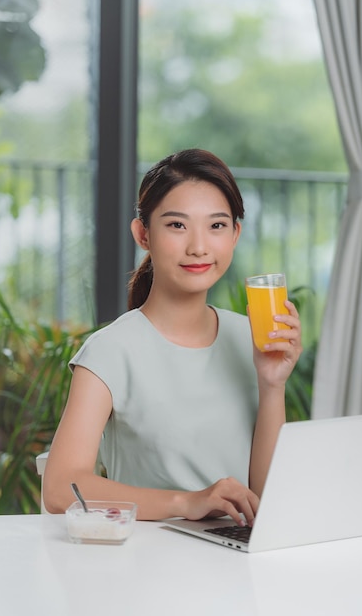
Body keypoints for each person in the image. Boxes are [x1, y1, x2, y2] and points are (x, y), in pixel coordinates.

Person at [43, 148, 302, 526]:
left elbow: (267, 499)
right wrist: (187, 502)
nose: (198, 246)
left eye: (216, 226)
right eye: (177, 225)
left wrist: (272, 385)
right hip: (148, 564)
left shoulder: (251, 337)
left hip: (238, 562)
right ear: (143, 234)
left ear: (235, 234)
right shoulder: (111, 351)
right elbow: (60, 489)